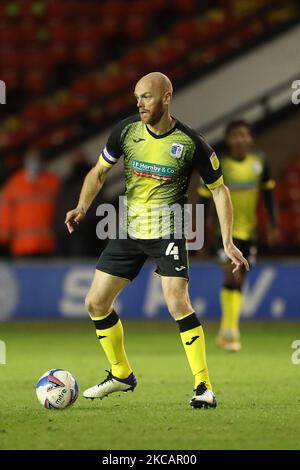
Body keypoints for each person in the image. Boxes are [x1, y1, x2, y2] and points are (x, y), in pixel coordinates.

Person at [65, 72, 248, 409]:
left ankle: (203, 387)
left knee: (177, 301)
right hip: (129, 229)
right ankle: (121, 374)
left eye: (146, 96)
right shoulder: (126, 131)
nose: (139, 103)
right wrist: (82, 206)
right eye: (137, 97)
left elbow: (219, 191)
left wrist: (227, 241)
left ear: (167, 97)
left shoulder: (192, 143)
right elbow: (99, 171)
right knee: (94, 302)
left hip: (169, 230)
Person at [198, 119, 279, 352]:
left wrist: (274, 226)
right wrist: (201, 233)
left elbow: (269, 194)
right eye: (235, 135)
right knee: (230, 275)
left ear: (250, 138)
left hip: (249, 230)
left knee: (240, 279)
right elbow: (204, 199)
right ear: (228, 139)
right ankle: (232, 332)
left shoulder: (260, 162)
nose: (240, 139)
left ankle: (227, 330)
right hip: (223, 232)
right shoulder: (218, 164)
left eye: (244, 135)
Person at [0, 149, 59, 257]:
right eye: (31, 159)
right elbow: (6, 209)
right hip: (21, 246)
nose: (34, 162)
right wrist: (4, 236)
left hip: (47, 244)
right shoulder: (15, 183)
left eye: (37, 159)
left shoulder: (53, 182)